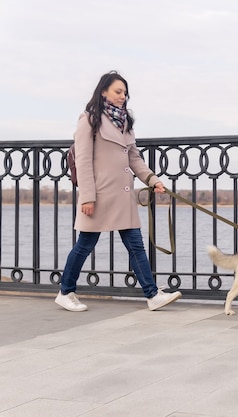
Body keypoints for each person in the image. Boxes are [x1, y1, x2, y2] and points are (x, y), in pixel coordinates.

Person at [55, 71, 182, 312]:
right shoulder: (88, 120)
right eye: (118, 91)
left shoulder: (125, 123)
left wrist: (152, 179)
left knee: (136, 245)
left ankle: (152, 294)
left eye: (125, 92)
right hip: (99, 195)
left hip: (123, 195)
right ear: (104, 91)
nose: (122, 96)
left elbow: (134, 158)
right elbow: (82, 161)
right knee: (84, 244)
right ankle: (65, 291)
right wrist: (88, 197)